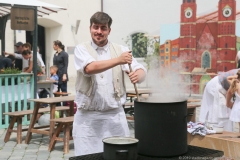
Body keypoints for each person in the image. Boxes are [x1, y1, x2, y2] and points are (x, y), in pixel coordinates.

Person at [73, 12, 146, 156]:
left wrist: (138, 76)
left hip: (115, 117)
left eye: (103, 28)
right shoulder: (81, 49)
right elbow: (90, 68)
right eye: (96, 27)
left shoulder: (121, 50)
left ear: (109, 30)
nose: (99, 32)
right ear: (90, 28)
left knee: (119, 157)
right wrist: (119, 60)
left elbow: (141, 69)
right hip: (88, 119)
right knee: (87, 157)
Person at [53, 40, 69, 106]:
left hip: (62, 74)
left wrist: (64, 75)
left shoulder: (64, 54)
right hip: (56, 75)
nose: (53, 47)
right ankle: (58, 107)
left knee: (64, 91)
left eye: (54, 45)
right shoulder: (55, 54)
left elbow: (66, 65)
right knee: (56, 92)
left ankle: (65, 107)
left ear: (57, 46)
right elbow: (54, 65)